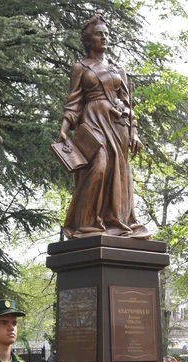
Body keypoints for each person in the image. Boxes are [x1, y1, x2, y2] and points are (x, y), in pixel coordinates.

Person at [56, 14, 150, 240]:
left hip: (118, 126)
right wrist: (64, 128)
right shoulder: (80, 67)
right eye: (100, 34)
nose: (105, 38)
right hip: (92, 122)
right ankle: (87, 224)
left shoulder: (119, 69)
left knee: (117, 173)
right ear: (89, 39)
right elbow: (73, 103)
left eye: (107, 34)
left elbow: (129, 105)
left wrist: (134, 133)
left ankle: (116, 222)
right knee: (98, 166)